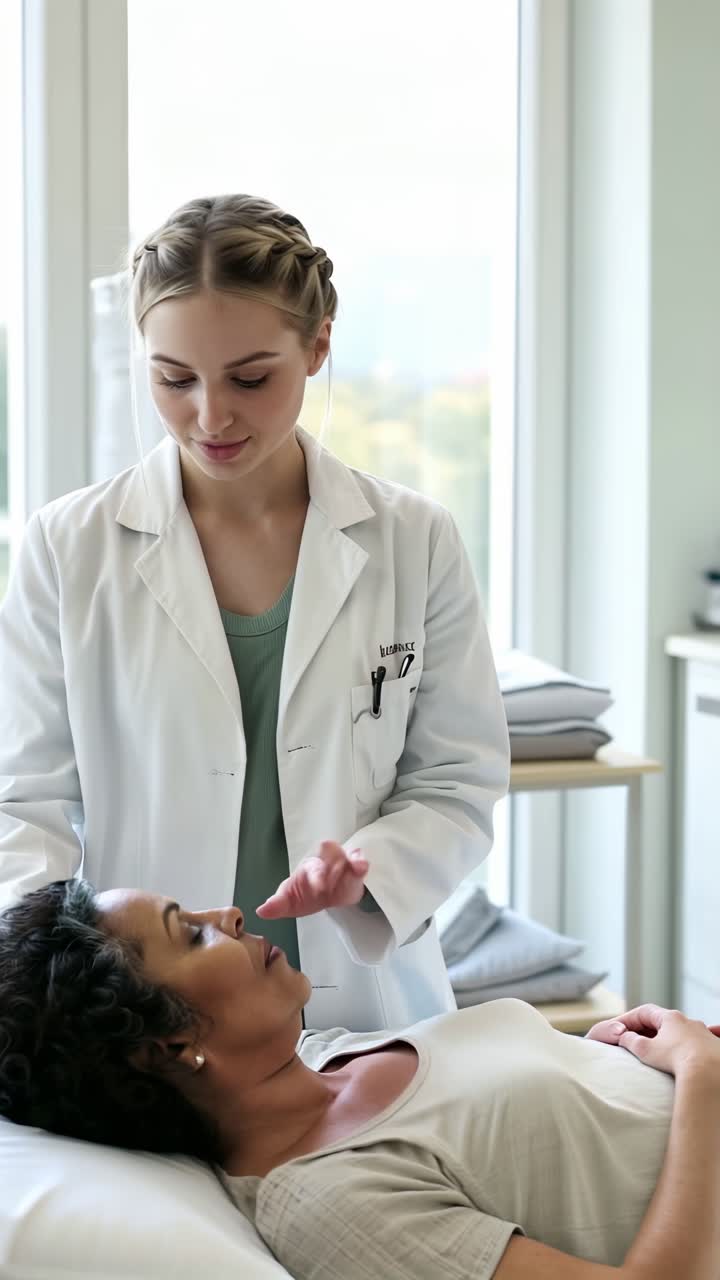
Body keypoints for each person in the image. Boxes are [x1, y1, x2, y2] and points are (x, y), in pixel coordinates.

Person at [0, 194, 509, 1030]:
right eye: (173, 379)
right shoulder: (71, 546)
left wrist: (371, 870)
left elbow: (458, 778)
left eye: (250, 378)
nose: (210, 416)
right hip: (144, 1021)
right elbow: (26, 803)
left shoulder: (413, 538)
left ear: (317, 346)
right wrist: (50, 997)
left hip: (363, 1007)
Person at [1, 880, 719, 1280]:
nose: (229, 914)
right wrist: (700, 1078)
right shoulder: (331, 1207)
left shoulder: (320, 1055)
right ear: (169, 1044)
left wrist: (603, 1059)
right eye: (190, 932)